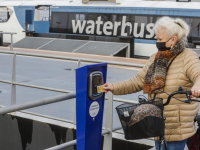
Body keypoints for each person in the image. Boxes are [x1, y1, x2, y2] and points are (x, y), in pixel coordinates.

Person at [103, 16, 200, 150]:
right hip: (157, 121)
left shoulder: (188, 56)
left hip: (177, 126)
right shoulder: (156, 58)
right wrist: (114, 87)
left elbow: (198, 74)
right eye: (157, 38)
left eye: (160, 39)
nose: (157, 42)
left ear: (173, 39)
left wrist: (197, 86)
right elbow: (138, 81)